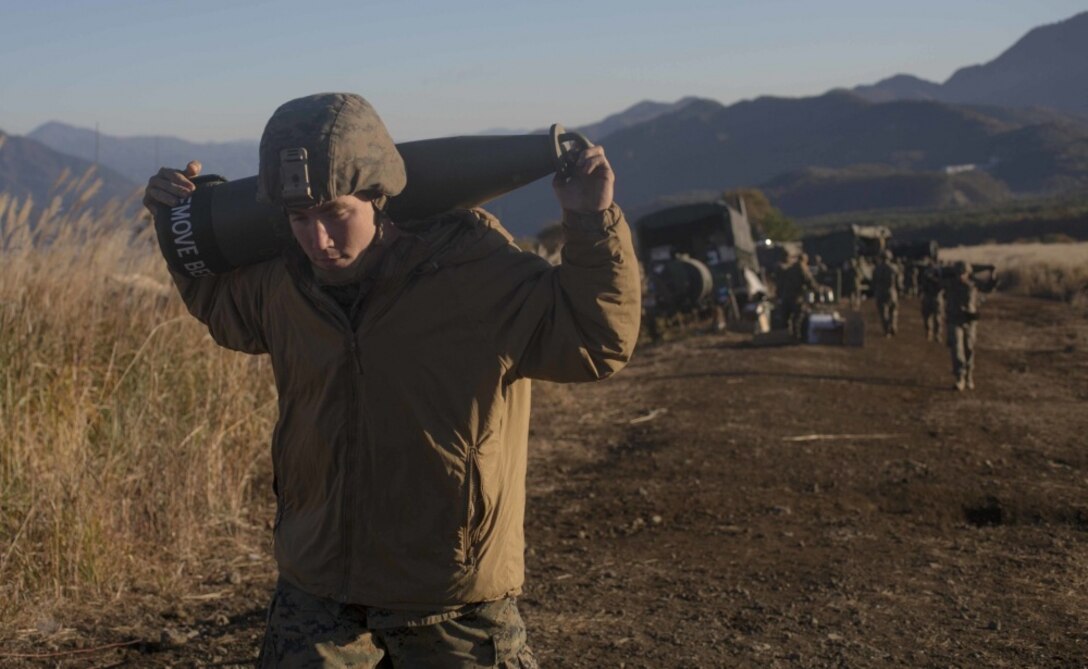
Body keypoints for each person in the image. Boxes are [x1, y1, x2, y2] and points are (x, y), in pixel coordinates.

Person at [142, 92, 641, 667]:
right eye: (300, 219)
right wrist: (180, 227)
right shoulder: (285, 278)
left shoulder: (470, 267)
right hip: (318, 584)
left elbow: (594, 341)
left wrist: (590, 220)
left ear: (380, 198)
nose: (318, 241)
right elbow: (225, 309)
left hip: (445, 591)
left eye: (335, 213)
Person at [944, 260, 980, 391]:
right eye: (958, 272)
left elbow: (976, 303)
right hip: (954, 320)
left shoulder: (971, 287)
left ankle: (969, 376)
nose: (960, 275)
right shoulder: (950, 285)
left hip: (968, 322)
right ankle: (960, 377)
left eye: (963, 273)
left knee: (969, 349)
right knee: (956, 349)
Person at [774, 252, 818, 340]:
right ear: (805, 260)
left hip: (786, 295)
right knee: (798, 316)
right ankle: (796, 337)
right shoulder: (802, 267)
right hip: (796, 296)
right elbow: (809, 281)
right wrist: (817, 288)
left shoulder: (790, 267)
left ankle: (783, 336)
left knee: (785, 317)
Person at [870, 249, 902, 337]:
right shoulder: (894, 268)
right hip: (892, 291)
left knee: (883, 312)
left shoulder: (877, 269)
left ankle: (887, 329)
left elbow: (873, 282)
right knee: (893, 311)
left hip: (880, 292)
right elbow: (898, 282)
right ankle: (893, 326)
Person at [919, 259, 944, 342]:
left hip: (934, 297)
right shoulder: (926, 273)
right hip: (930, 297)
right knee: (928, 317)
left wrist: (932, 279)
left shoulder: (938, 273)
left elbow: (941, 285)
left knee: (936, 318)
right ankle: (930, 333)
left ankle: (936, 334)